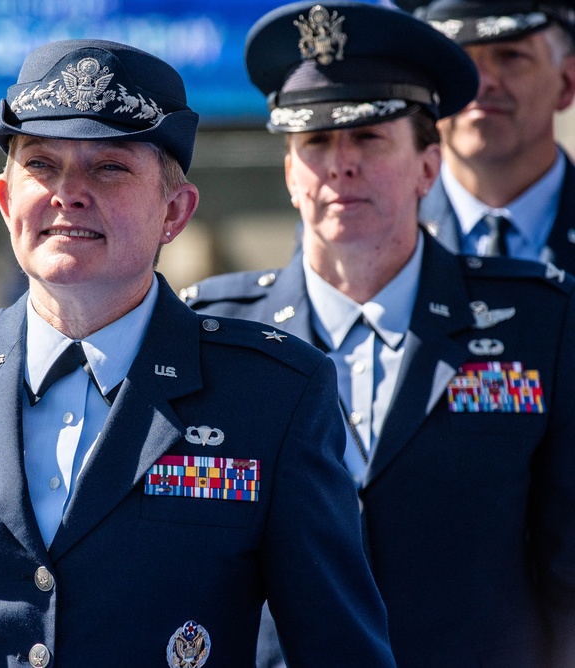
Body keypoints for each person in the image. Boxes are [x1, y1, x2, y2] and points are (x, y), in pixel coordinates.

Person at [0, 38, 397, 667]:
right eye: (41, 165)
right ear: (8, 202)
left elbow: (337, 644)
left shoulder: (273, 393)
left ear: (174, 211)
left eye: (109, 167)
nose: (68, 193)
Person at [184, 2, 575, 666]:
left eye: (368, 137)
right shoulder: (215, 335)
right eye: (314, 143)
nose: (340, 166)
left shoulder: (542, 320)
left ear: (429, 165)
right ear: (289, 174)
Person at [407, 0, 575, 267]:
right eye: (457, 58)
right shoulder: (382, 232)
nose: (481, 83)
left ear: (567, 83)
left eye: (509, 56)